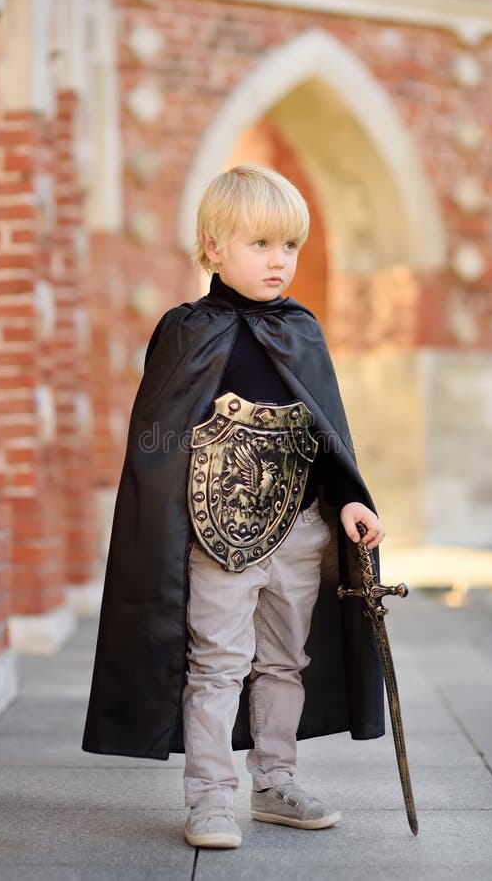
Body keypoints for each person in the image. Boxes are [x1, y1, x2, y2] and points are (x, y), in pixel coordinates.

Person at [81, 164, 386, 850]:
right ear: (214, 246)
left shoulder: (301, 329)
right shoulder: (186, 330)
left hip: (301, 528)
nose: (278, 261)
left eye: (289, 247)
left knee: (284, 661)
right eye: (260, 245)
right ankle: (210, 798)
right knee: (217, 663)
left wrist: (347, 503)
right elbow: (159, 442)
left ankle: (275, 782)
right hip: (217, 533)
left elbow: (324, 434)